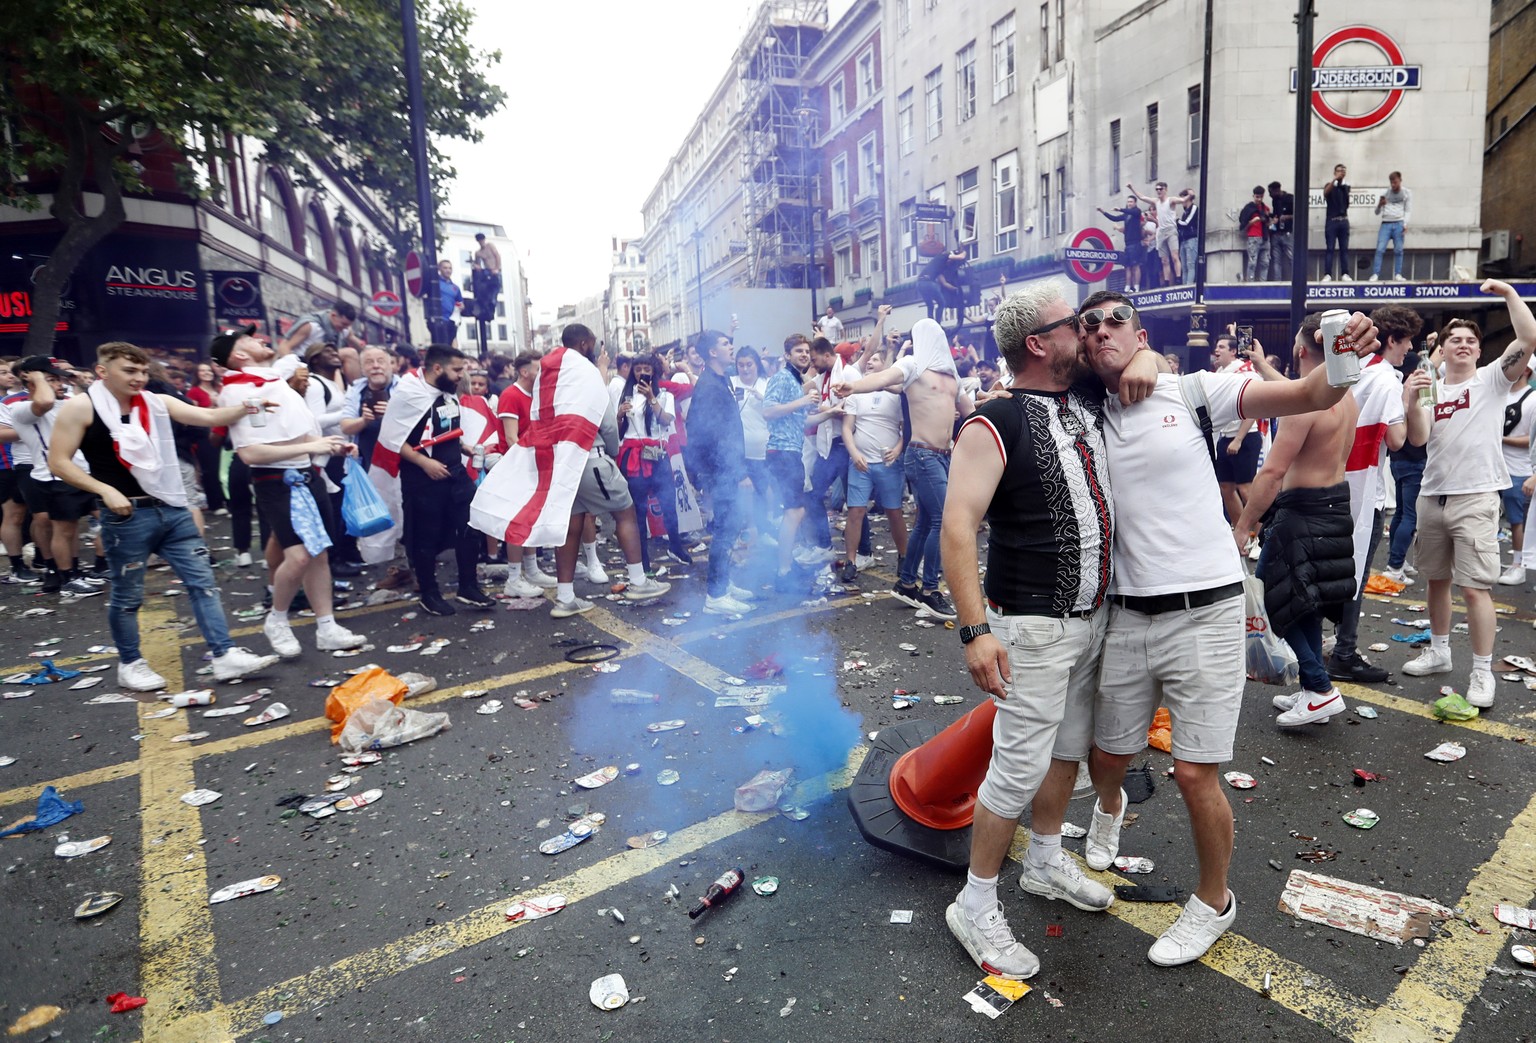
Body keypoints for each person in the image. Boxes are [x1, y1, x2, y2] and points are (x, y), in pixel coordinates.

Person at [1081, 290, 1380, 966]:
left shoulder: (1192, 389)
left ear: (1140, 330)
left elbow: (1309, 390)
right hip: (1126, 609)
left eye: (1116, 321)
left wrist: (1344, 346)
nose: (1101, 331)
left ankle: (1214, 902)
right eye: (1089, 324)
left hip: (1208, 608)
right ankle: (1107, 811)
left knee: (1193, 773)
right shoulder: (1081, 407)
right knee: (1109, 753)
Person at [939, 284, 1128, 981]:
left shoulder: (1083, 404)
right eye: (1074, 324)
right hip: (1029, 624)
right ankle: (975, 901)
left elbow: (1139, 357)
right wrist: (974, 630)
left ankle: (1045, 861)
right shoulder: (994, 420)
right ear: (1039, 344)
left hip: (1089, 619)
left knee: (1065, 750)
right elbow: (958, 527)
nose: (1088, 332)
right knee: (1016, 765)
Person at [45, 341, 278, 690]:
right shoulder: (81, 407)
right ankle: (130, 664)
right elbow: (58, 462)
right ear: (102, 371)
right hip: (126, 516)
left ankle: (225, 656)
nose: (139, 378)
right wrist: (104, 490)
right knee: (127, 597)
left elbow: (209, 416)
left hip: (171, 505)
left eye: (143, 371)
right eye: (130, 371)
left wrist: (249, 406)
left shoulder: (156, 402)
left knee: (204, 584)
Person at [470, 324, 670, 617]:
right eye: (594, 343)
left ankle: (565, 598)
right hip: (590, 456)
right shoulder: (586, 374)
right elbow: (607, 424)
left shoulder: (547, 377)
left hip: (559, 463)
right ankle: (639, 581)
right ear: (586, 343)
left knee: (572, 524)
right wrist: (613, 451)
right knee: (626, 510)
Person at [1401, 281, 1536, 708]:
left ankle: (1481, 671)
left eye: (1470, 341)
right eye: (1454, 339)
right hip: (1432, 496)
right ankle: (1439, 651)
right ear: (1442, 348)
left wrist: (1509, 294)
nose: (1462, 344)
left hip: (1476, 498)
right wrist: (1410, 401)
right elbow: (1419, 438)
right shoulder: (1430, 388)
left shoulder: (1494, 379)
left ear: (1479, 351)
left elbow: (1529, 338)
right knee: (1436, 581)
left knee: (1475, 588)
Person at [1234, 315, 1363, 727]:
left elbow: (1271, 472)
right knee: (1302, 599)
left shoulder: (1303, 410)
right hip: (1333, 506)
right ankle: (1313, 690)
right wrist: (1260, 365)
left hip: (1301, 514)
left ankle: (1321, 688)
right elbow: (1300, 392)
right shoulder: (1347, 397)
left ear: (1301, 350)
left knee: (1277, 599)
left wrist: (1244, 525)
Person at [212, 325, 369, 658]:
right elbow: (251, 453)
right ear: (239, 355)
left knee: (320, 553)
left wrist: (330, 447)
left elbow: (295, 438)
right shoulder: (241, 391)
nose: (260, 339)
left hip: (306, 475)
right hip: (278, 482)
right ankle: (277, 620)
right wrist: (316, 446)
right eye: (250, 339)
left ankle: (326, 627)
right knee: (297, 556)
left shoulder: (270, 383)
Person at [834, 318, 974, 620]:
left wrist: (998, 399)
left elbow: (971, 412)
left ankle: (907, 582)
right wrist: (853, 386)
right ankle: (930, 590)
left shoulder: (952, 376)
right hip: (921, 455)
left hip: (943, 455)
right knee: (944, 521)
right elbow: (882, 379)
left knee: (926, 522)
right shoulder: (913, 366)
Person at [1327, 304, 1431, 684]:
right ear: (1392, 339)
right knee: (1354, 573)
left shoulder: (1351, 371)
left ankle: (1332, 643)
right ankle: (1344, 651)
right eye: (1406, 342)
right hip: (1366, 490)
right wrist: (1408, 398)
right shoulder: (1387, 379)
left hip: (1330, 484)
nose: (1409, 349)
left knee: (1333, 570)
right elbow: (1402, 439)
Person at [378, 345, 495, 615]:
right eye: (456, 370)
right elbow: (393, 440)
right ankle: (429, 593)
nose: (460, 375)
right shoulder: (410, 393)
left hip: (454, 472)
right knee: (425, 537)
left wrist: (463, 446)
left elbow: (445, 428)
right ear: (438, 368)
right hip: (422, 478)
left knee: (470, 527)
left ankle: (468, 587)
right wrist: (423, 462)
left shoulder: (447, 393)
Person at [8, 356, 101, 597]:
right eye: (51, 380)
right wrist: (35, 375)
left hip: (84, 474)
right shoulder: (21, 409)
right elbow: (44, 400)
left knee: (98, 523)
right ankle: (67, 578)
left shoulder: (67, 403)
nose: (59, 385)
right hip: (55, 477)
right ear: (31, 384)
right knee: (64, 530)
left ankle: (77, 571)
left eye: (59, 380)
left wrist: (73, 379)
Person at [684, 329, 757, 615]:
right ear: (712, 352)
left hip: (725, 470)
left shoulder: (720, 379)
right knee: (726, 530)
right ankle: (715, 596)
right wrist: (738, 473)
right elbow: (715, 436)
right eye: (726, 344)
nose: (731, 347)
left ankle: (724, 585)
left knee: (732, 526)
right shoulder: (710, 386)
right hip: (724, 472)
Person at [616, 353, 691, 571]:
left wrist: (651, 398)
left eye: (645, 368)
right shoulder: (626, 395)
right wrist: (619, 415)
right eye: (637, 368)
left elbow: (666, 420)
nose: (641, 372)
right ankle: (643, 560)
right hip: (633, 457)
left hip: (657, 454)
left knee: (668, 504)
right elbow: (620, 432)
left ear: (653, 371)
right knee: (638, 511)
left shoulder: (664, 394)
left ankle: (675, 546)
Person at [841, 345, 908, 583]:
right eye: (867, 359)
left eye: (875, 360)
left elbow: (904, 430)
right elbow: (847, 428)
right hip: (861, 463)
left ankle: (903, 558)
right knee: (855, 511)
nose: (869, 362)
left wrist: (898, 450)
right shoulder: (856, 392)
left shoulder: (896, 395)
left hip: (889, 463)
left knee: (894, 512)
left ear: (885, 367)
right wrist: (854, 453)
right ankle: (851, 561)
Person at [495, 352, 560, 597]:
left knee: (531, 519)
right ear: (524, 371)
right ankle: (513, 578)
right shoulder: (511, 395)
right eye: (537, 369)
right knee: (517, 522)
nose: (541, 373)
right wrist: (527, 464)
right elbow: (511, 438)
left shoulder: (535, 395)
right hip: (517, 467)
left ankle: (531, 570)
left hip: (533, 465)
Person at [761, 334, 819, 590]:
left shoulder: (796, 380)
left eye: (807, 351)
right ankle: (784, 571)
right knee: (794, 511)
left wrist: (830, 414)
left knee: (795, 510)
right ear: (787, 355)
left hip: (791, 451)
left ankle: (786, 564)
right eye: (799, 351)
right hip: (782, 452)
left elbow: (800, 422)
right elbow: (768, 410)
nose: (804, 354)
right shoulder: (783, 378)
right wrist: (803, 401)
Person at [0, 358, 44, 584]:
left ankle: (41, 558)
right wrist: (32, 429)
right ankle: (17, 566)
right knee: (14, 515)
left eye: (9, 371)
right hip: (5, 465)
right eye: (3, 372)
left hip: (35, 463)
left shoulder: (22, 399)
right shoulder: (8, 403)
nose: (9, 375)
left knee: (40, 514)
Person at [1209, 335, 1258, 523]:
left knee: (1245, 488)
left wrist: (1238, 438)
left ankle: (1259, 534)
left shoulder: (1245, 372)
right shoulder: (1220, 372)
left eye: (1221, 346)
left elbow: (1253, 409)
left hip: (1245, 437)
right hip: (1225, 436)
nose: (1217, 350)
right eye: (1216, 346)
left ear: (1232, 351)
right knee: (1225, 487)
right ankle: (1239, 531)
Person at [731, 346, 774, 540]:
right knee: (745, 491)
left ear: (757, 364)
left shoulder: (768, 383)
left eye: (749, 364)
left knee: (765, 489)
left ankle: (767, 524)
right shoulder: (731, 383)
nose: (745, 369)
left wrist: (763, 399)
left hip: (764, 448)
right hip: (740, 450)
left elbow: (778, 411)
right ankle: (750, 526)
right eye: (741, 365)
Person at [1498, 365, 1536, 586]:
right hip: (1496, 467)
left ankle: (1519, 564)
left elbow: (1531, 440)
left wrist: (1500, 439)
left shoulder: (1532, 399)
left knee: (1516, 520)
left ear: (1526, 371)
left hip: (1520, 469)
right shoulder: (1501, 394)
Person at [1130, 181, 1180, 285]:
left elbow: (1180, 200)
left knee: (1174, 257)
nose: (1158, 191)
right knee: (1163, 261)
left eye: (1160, 189)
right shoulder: (1156, 202)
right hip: (1159, 237)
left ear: (1165, 189)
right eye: (1157, 189)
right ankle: (1166, 282)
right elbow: (1142, 197)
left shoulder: (1169, 201)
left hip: (1170, 231)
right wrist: (1131, 188)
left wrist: (1187, 196)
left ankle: (1178, 279)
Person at [278, 302, 364, 358]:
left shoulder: (344, 330)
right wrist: (295, 368)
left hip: (324, 361)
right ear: (333, 316)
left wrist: (366, 351)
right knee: (350, 353)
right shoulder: (311, 326)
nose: (345, 328)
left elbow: (355, 341)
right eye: (344, 324)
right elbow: (285, 346)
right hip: (305, 360)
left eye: (348, 326)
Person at [1370, 171, 1412, 281]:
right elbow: (1376, 212)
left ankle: (1398, 274)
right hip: (1386, 224)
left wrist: (1405, 224)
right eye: (1391, 183)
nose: (1393, 185)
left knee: (1398, 250)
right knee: (1380, 249)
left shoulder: (1406, 193)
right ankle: (1375, 274)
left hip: (1399, 223)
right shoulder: (1385, 193)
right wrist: (1380, 204)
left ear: (1400, 181)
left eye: (1395, 182)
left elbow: (1407, 210)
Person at [1098, 196, 1144, 293]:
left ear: (1135, 203)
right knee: (1127, 266)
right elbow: (1114, 218)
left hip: (1135, 243)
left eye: (1131, 202)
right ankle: (1127, 286)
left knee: (1135, 265)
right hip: (1127, 243)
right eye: (1128, 202)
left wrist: (1120, 209)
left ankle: (1136, 286)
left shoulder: (1137, 212)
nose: (1129, 203)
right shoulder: (1126, 215)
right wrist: (1103, 212)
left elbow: (1132, 212)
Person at [917, 250, 967, 323]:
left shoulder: (938, 266)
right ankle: (937, 324)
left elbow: (945, 283)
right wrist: (964, 251)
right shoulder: (943, 256)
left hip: (919, 284)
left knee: (930, 305)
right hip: (928, 283)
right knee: (941, 303)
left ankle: (931, 324)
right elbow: (961, 257)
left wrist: (955, 289)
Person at [1322, 163, 1352, 281]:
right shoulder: (1329, 186)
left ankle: (1345, 273)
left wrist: (1342, 184)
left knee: (1344, 249)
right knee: (1330, 248)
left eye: (1343, 171)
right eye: (1339, 171)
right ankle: (1328, 273)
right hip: (1332, 222)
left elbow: (1346, 204)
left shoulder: (1345, 187)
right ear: (1334, 172)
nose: (1341, 173)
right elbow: (1325, 193)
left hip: (1343, 220)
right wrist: (1334, 180)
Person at [1239, 186, 1271, 282]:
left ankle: (1263, 282)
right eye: (1257, 197)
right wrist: (1253, 221)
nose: (1259, 199)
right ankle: (1250, 282)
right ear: (1253, 196)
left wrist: (1272, 222)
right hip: (1253, 237)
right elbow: (1243, 225)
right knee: (1252, 262)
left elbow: (1267, 223)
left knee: (1265, 262)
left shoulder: (1266, 209)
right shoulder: (1249, 208)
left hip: (1265, 237)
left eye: (1261, 197)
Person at [431, 260, 464, 344]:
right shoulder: (435, 283)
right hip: (439, 320)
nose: (448, 270)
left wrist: (461, 307)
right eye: (445, 268)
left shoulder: (455, 288)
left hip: (451, 321)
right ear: (439, 269)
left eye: (450, 268)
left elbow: (460, 302)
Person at [1266, 181, 1294, 281]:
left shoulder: (1290, 199)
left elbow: (1299, 214)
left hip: (1287, 232)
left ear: (1276, 190)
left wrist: (1287, 217)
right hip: (1276, 233)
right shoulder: (1275, 201)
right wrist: (1271, 216)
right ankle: (1277, 281)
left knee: (1291, 258)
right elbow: (1277, 215)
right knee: (1276, 260)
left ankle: (1295, 281)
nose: (1270, 195)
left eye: (1271, 192)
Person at [1176, 190, 1199, 286]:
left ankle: (1189, 285)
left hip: (1191, 239)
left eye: (1183, 198)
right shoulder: (1185, 212)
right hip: (1184, 240)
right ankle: (1184, 285)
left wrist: (1176, 220)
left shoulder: (1194, 208)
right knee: (1184, 266)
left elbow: (1186, 223)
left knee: (1190, 264)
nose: (1182, 202)